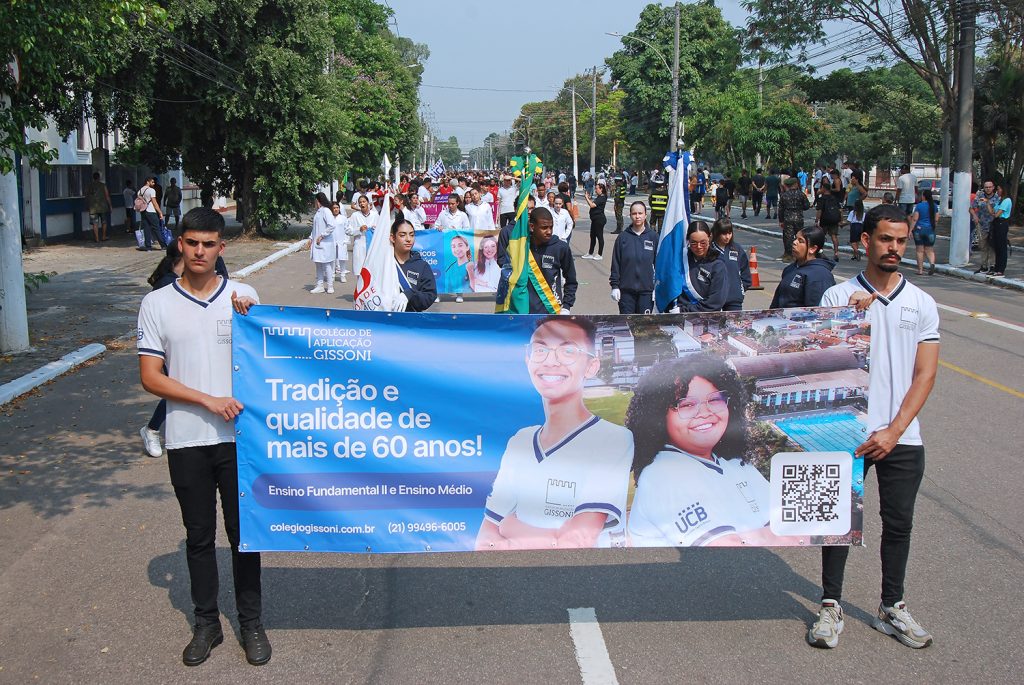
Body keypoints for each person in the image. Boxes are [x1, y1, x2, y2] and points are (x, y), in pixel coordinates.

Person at [137, 207, 270, 666]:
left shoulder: (242, 295)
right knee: (198, 536)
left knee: (243, 536)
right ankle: (207, 623)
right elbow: (151, 377)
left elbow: (271, 355)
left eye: (208, 244)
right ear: (180, 244)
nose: (199, 251)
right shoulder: (157, 303)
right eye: (191, 242)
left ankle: (251, 623)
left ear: (221, 248)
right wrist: (207, 401)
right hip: (187, 439)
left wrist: (253, 318)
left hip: (240, 442)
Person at [808, 203, 940, 651]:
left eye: (902, 240)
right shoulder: (836, 297)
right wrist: (849, 321)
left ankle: (892, 606)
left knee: (898, 524)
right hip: (846, 433)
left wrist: (895, 430)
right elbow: (819, 360)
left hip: (902, 435)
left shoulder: (921, 304)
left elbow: (925, 375)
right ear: (865, 241)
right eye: (886, 239)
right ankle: (830, 605)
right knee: (838, 521)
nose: (894, 248)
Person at [475, 316, 633, 550]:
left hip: (584, 579)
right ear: (527, 359)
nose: (551, 361)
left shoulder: (613, 439)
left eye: (568, 352)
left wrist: (510, 527)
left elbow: (577, 542)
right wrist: (551, 538)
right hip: (521, 579)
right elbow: (485, 540)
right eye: (541, 350)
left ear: (591, 366)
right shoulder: (521, 441)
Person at [626, 355, 797, 547]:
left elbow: (796, 529)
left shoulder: (734, 464)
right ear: (658, 417)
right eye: (687, 404)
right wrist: (772, 535)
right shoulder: (662, 475)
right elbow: (727, 554)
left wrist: (759, 537)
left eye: (715, 399)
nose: (705, 412)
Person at [769, 225, 836, 308]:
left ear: (813, 249)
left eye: (801, 241)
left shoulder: (820, 275)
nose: (794, 242)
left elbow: (816, 311)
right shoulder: (790, 269)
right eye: (795, 238)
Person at [609, 201, 657, 314]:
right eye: (634, 213)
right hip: (626, 292)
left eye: (640, 213)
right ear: (630, 215)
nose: (637, 216)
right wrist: (615, 286)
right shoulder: (622, 238)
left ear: (646, 215)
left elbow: (659, 264)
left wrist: (657, 287)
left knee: (644, 327)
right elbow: (616, 263)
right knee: (627, 327)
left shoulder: (653, 237)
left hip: (646, 292)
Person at [671, 221, 728, 313]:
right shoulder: (680, 258)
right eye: (693, 243)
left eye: (703, 243)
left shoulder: (718, 265)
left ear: (709, 238)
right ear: (688, 240)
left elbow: (715, 302)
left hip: (706, 318)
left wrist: (684, 311)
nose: (698, 247)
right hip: (679, 317)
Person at [391, 218, 437, 311]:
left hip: (412, 322)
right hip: (383, 321)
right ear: (393, 238)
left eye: (412, 235)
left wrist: (410, 294)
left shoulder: (422, 266)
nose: (408, 239)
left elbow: (429, 296)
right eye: (402, 235)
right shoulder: (383, 264)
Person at [710, 217, 751, 312]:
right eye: (724, 234)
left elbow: (745, 272)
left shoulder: (737, 249)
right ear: (717, 233)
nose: (727, 237)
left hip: (734, 299)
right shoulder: (710, 250)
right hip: (714, 300)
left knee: (734, 325)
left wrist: (740, 290)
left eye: (729, 233)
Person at [970, 180, 1000, 274]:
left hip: (992, 225)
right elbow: (971, 208)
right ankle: (983, 266)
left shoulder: (997, 198)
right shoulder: (979, 196)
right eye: (986, 187)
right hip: (981, 225)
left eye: (989, 187)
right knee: (983, 246)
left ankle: (992, 266)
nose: (988, 189)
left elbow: (997, 212)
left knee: (992, 246)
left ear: (993, 187)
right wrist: (974, 216)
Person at [309, 192, 337, 294]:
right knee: (318, 264)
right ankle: (320, 285)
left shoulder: (326, 211)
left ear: (318, 201)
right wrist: (311, 238)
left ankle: (330, 286)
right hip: (317, 244)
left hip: (325, 243)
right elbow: (314, 229)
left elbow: (332, 225)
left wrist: (322, 235)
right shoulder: (318, 212)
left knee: (327, 265)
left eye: (315, 201)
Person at [778, 177, 811, 261]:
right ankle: (802, 253)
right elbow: (807, 206)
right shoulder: (801, 194)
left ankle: (789, 254)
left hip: (788, 218)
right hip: (799, 217)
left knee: (788, 237)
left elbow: (781, 209)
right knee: (800, 237)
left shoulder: (784, 195)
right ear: (795, 184)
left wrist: (781, 220)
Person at [346, 195, 378, 276]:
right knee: (360, 271)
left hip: (372, 245)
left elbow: (381, 229)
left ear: (368, 203)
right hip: (360, 245)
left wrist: (374, 229)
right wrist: (359, 230)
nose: (362, 204)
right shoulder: (355, 216)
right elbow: (348, 230)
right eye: (360, 202)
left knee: (372, 271)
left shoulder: (375, 215)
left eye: (364, 201)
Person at [909, 188, 938, 275]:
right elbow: (936, 219)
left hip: (919, 230)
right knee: (930, 250)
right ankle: (932, 264)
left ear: (923, 196)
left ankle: (920, 270)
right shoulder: (934, 206)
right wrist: (933, 228)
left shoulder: (919, 206)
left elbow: (914, 219)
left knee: (919, 250)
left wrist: (910, 230)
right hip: (930, 230)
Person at [815, 182, 842, 261]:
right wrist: (840, 219)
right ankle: (836, 253)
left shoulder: (822, 199)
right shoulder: (834, 198)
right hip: (834, 219)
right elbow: (840, 210)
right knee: (834, 236)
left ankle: (820, 252)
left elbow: (819, 210)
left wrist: (817, 220)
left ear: (823, 188)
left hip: (824, 220)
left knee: (822, 236)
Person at [989, 184, 1013, 277]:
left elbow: (997, 214)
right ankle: (996, 267)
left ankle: (1001, 269)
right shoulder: (999, 200)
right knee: (997, 246)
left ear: (1003, 189)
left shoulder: (1007, 200)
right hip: (996, 223)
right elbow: (992, 212)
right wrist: (987, 203)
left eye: (998, 189)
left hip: (1002, 224)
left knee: (1002, 247)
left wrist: (994, 213)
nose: (997, 191)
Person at [138, 176, 165, 251]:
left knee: (146, 229)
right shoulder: (151, 190)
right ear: (147, 182)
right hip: (151, 211)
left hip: (143, 211)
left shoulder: (140, 191)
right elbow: (154, 202)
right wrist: (160, 212)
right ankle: (163, 245)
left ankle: (148, 247)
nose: (153, 183)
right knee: (156, 228)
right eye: (152, 182)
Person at [583, 183, 608, 259]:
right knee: (592, 236)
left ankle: (599, 254)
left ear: (601, 189)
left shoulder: (602, 197)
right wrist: (588, 198)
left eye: (597, 188)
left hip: (599, 219)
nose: (595, 190)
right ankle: (590, 253)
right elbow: (592, 203)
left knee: (599, 236)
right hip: (594, 219)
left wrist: (587, 198)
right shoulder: (599, 197)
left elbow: (592, 205)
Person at [444, 233, 472, 302]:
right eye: (453, 246)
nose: (457, 249)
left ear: (467, 247)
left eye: (460, 245)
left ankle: (460, 294)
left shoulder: (472, 266)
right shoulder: (450, 269)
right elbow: (447, 287)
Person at [86, 172, 112, 243]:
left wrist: (87, 206)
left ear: (93, 177)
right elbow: (107, 196)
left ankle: (97, 238)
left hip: (93, 208)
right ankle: (103, 236)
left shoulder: (90, 186)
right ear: (99, 177)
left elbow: (87, 196)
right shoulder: (103, 185)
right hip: (103, 207)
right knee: (104, 222)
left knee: (95, 223)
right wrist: (110, 206)